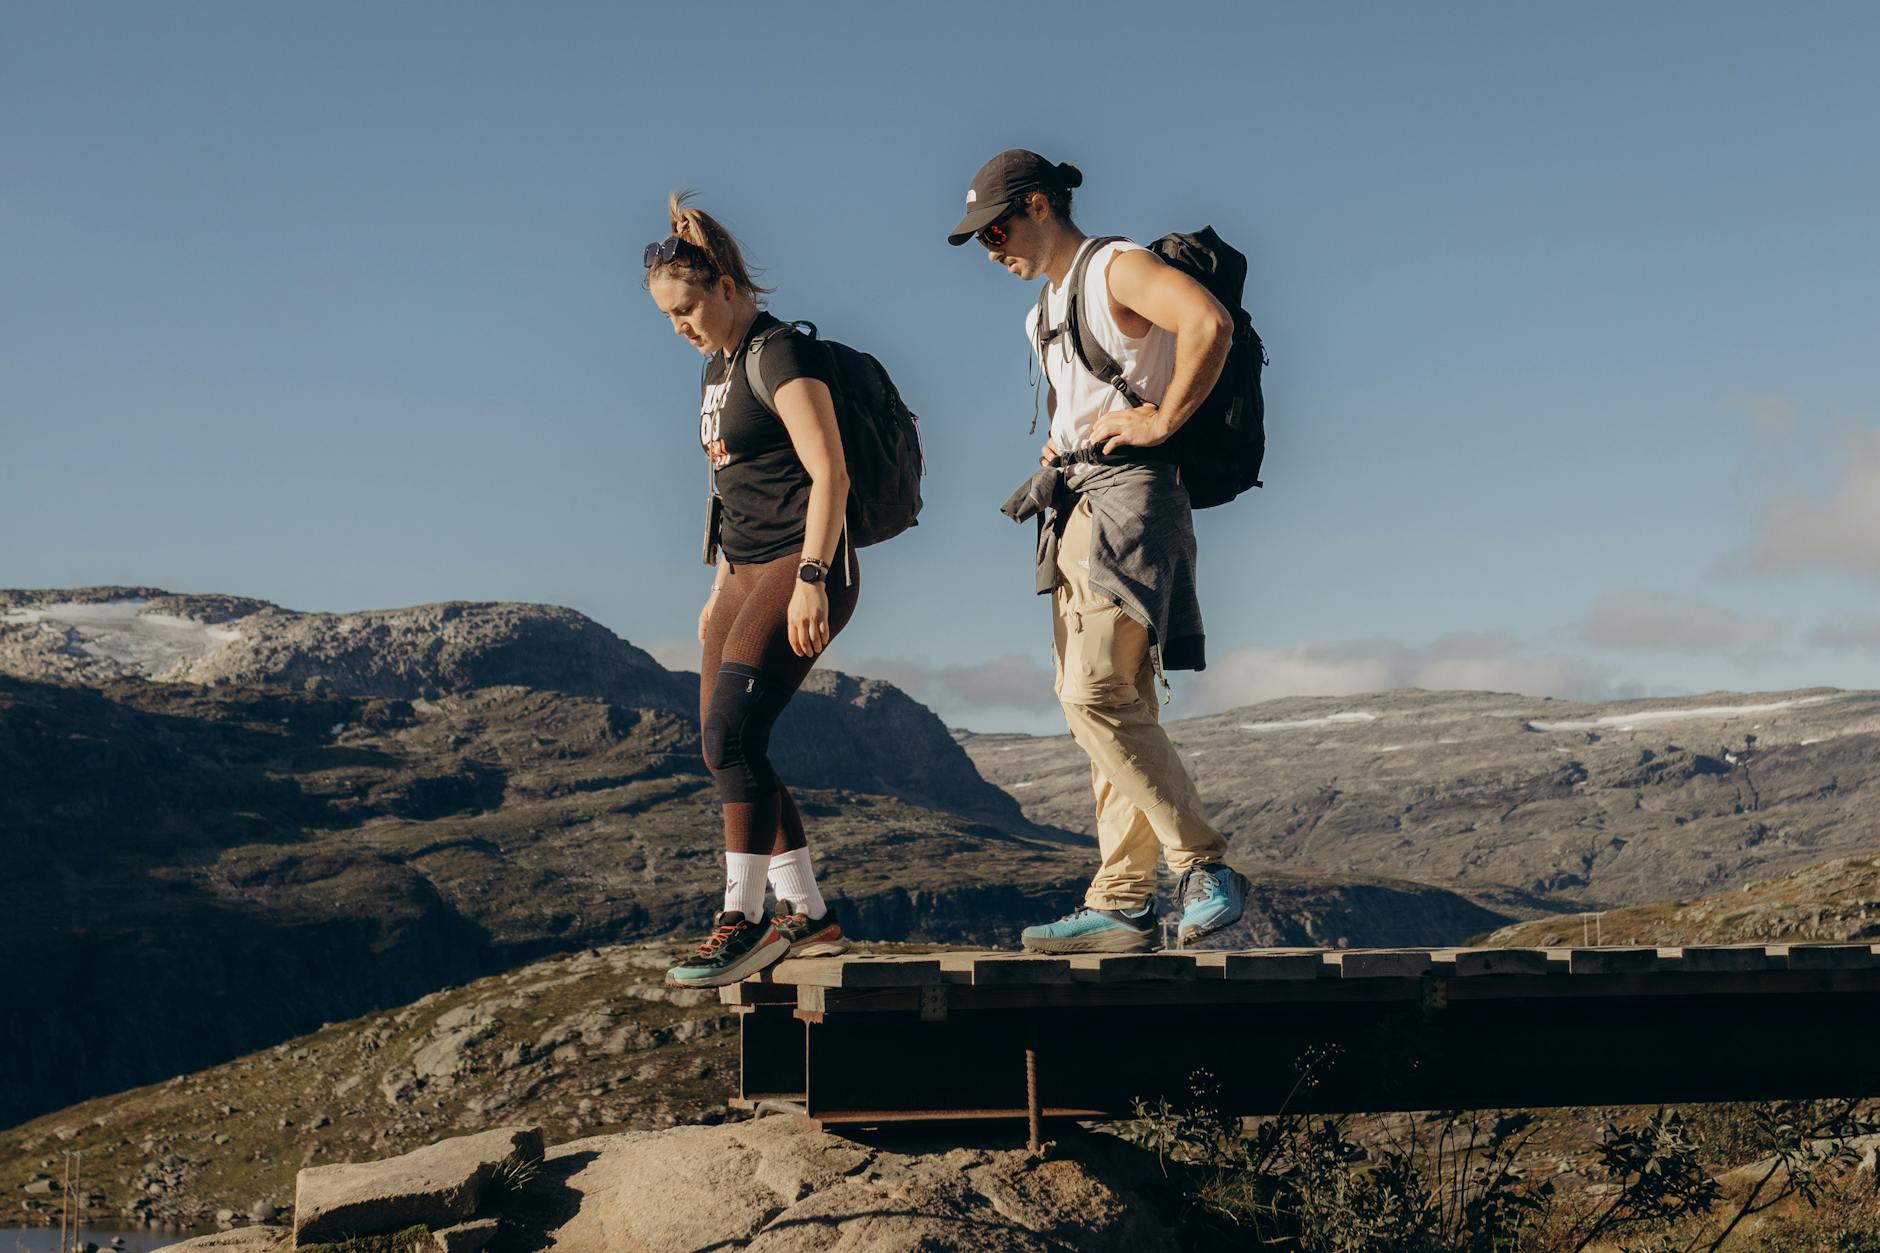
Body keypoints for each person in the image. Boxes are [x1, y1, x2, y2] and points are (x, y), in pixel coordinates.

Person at [947, 150, 1250, 953]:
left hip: (1132, 499)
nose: (992, 249)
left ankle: (1202, 863)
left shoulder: (1115, 266)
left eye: (997, 229)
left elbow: (1209, 323)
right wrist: (1056, 454)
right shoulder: (1041, 308)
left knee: (1092, 693)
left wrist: (1159, 423)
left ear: (1041, 205)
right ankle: (1121, 896)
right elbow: (1079, 400)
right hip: (1079, 502)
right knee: (1111, 704)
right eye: (980, 239)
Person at [645, 191, 857, 986]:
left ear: (728, 287)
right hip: (741, 571)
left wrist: (810, 577)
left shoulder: (778, 355)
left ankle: (745, 918)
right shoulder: (715, 368)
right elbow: (732, 482)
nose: (681, 326)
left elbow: (828, 469)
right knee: (728, 746)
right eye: (668, 314)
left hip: (801, 565)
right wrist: (717, 583)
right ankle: (810, 912)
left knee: (731, 737)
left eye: (689, 307)